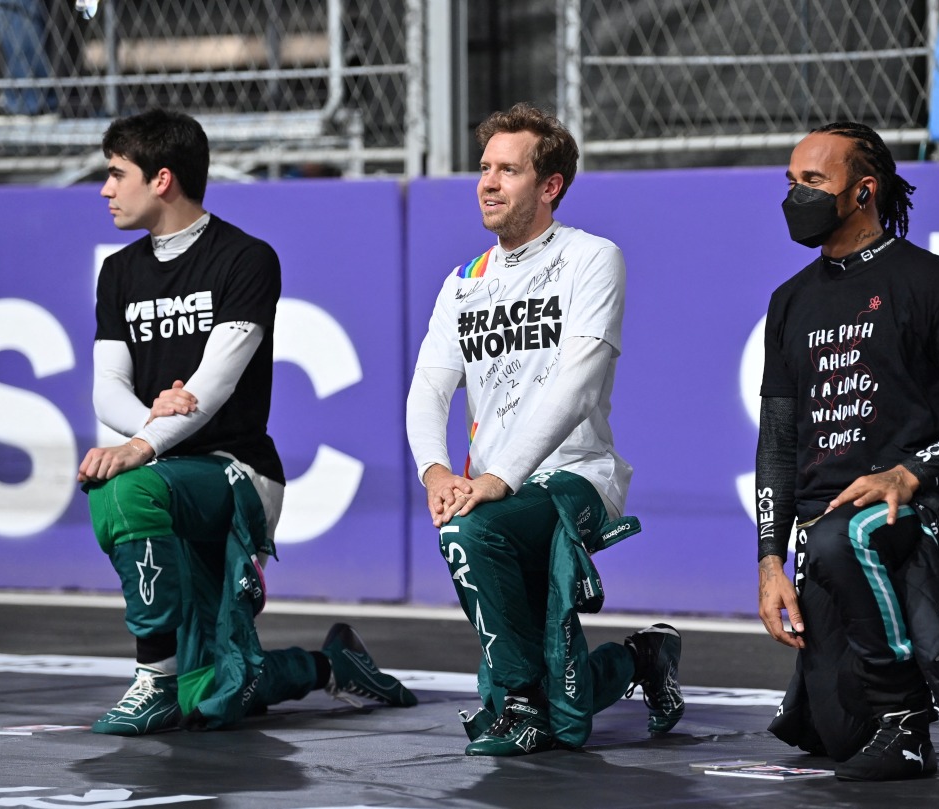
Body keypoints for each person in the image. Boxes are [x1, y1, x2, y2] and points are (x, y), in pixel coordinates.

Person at [78, 108, 415, 736]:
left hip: (237, 475)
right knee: (209, 693)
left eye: (116, 174)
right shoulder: (118, 271)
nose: (104, 189)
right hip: (168, 470)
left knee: (120, 487)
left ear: (162, 180)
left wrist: (141, 447)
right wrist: (151, 425)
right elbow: (106, 391)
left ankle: (150, 680)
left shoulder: (246, 258)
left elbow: (214, 385)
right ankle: (327, 666)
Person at [755, 121, 939, 781]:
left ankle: (907, 723)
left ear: (863, 191)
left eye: (813, 182)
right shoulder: (788, 302)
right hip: (824, 523)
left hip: (917, 503)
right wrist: (770, 558)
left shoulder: (934, 282)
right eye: (790, 182)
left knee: (838, 541)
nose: (795, 195)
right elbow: (778, 440)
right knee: (834, 731)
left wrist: (911, 472)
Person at [406, 102, 683, 757]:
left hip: (575, 476)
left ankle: (521, 706)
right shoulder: (463, 283)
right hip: (493, 490)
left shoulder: (592, 258)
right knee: (569, 705)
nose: (488, 182)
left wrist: (500, 476)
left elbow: (577, 383)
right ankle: (645, 657)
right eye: (483, 168)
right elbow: (428, 387)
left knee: (468, 529)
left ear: (549, 185)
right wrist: (436, 469)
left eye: (508, 169)